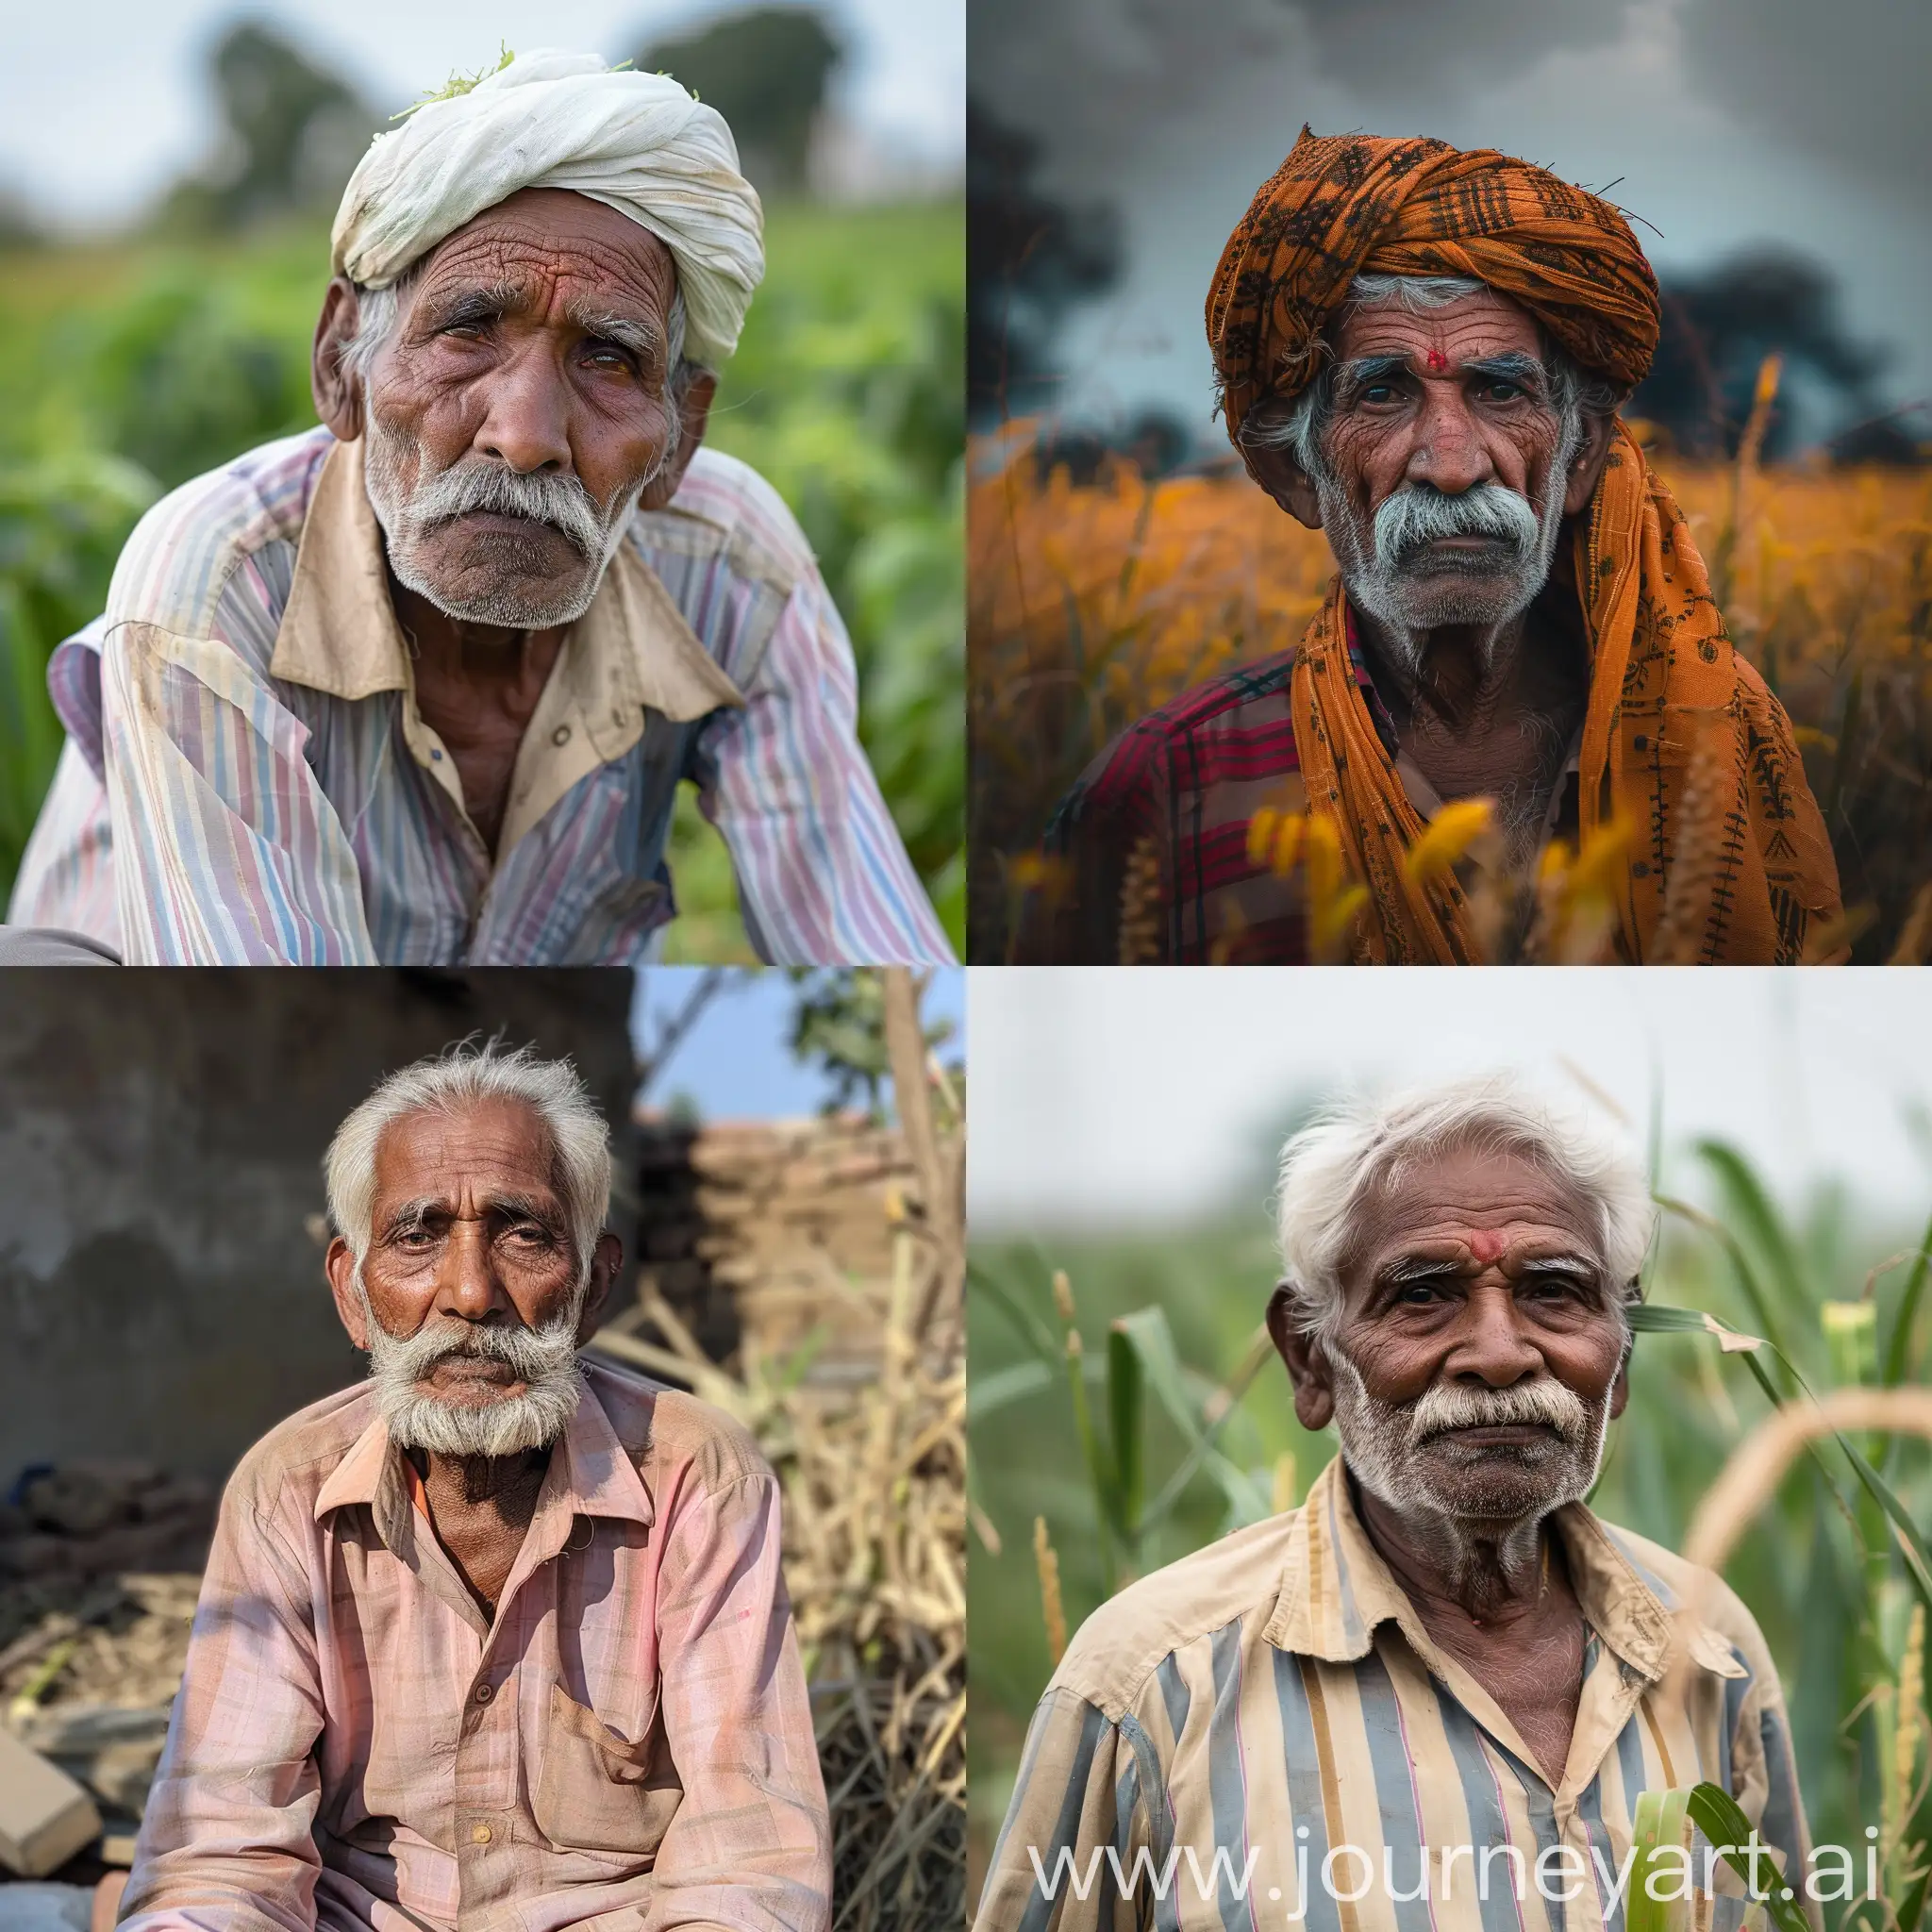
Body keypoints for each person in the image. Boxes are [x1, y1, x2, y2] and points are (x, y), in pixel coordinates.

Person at [8, 50, 950, 967]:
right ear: (343, 364)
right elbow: (256, 1030)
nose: (525, 433)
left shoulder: (731, 567)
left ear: (678, 440)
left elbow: (871, 953)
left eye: (608, 358)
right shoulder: (222, 577)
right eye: (467, 330)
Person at [975, 1075, 1810, 1932]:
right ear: (1309, 1360)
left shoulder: (1711, 1651)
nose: (1499, 1353)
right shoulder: (1153, 1686)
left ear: (1621, 1360)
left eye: (1554, 1292)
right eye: (1422, 1296)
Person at [1019, 132, 1841, 965]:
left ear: (1580, 454)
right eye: (1381, 392)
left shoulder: (1718, 742)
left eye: (1498, 390)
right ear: (1293, 473)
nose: (1451, 464)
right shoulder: (1166, 786)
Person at [108, 1042, 830, 1932]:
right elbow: (219, 1857)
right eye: (417, 1236)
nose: (470, 1292)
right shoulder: (285, 1492)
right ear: (353, 1294)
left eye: (522, 1233)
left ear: (593, 1284)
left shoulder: (696, 1478)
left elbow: (747, 1862)